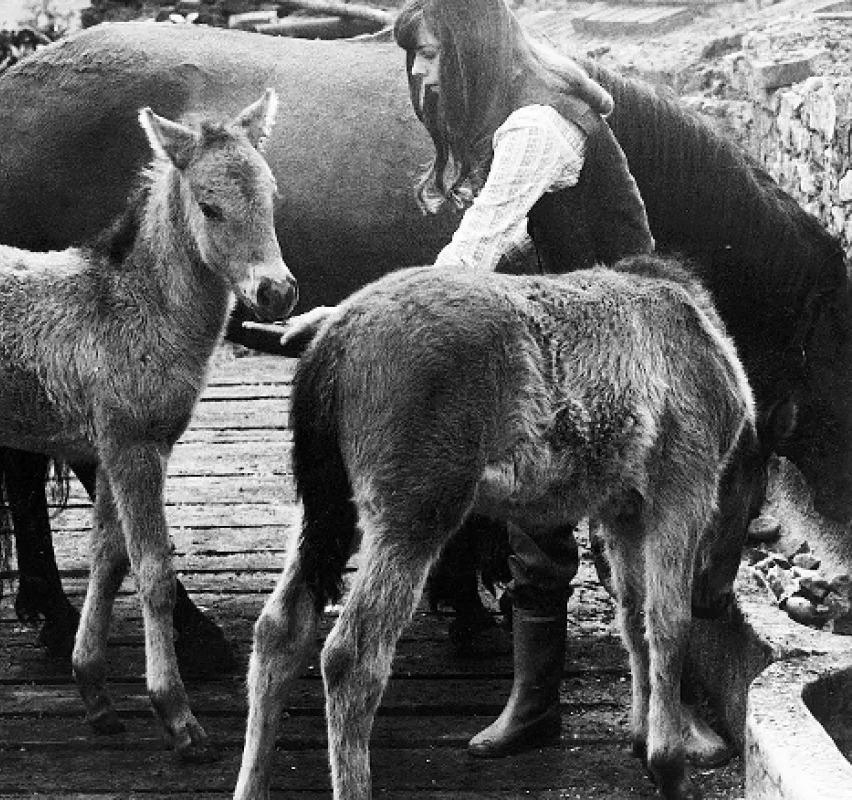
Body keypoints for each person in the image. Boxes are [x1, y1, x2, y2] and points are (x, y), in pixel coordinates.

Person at [274, 0, 662, 760]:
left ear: (473, 50)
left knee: (589, 513)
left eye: (430, 53)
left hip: (608, 331)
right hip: (561, 314)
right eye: (414, 54)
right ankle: (542, 701)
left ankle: (613, 703)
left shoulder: (535, 126)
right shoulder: (521, 93)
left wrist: (352, 318)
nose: (419, 71)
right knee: (542, 514)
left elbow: (472, 252)